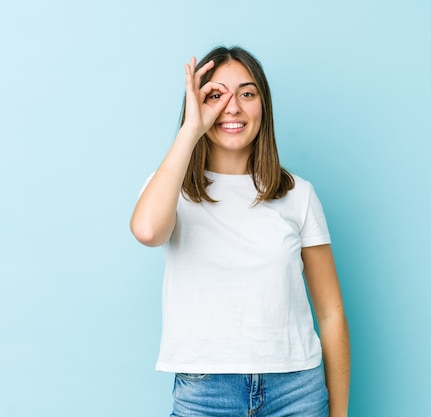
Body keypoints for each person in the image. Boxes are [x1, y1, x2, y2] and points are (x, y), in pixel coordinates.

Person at [130, 46, 350, 417]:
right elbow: (149, 231)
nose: (231, 108)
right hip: (205, 394)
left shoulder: (298, 194)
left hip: (296, 392)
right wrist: (191, 129)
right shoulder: (171, 188)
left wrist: (339, 414)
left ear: (263, 106)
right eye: (215, 95)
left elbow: (330, 314)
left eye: (246, 94)